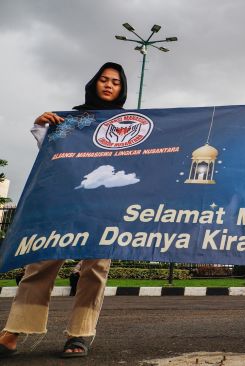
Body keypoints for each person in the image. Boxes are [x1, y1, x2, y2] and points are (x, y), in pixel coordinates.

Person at [0, 62, 127, 359]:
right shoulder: (73, 120)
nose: (108, 85)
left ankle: (80, 334)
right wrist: (42, 125)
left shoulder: (131, 123)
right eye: (104, 80)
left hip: (105, 206)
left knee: (95, 268)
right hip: (64, 201)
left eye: (116, 82)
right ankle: (12, 332)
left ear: (122, 89)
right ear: (94, 83)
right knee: (42, 262)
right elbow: (54, 154)